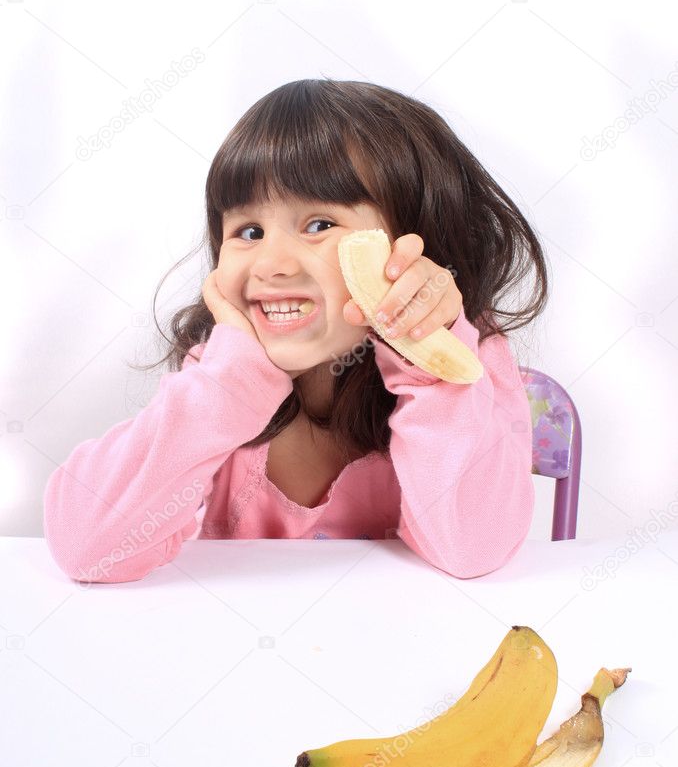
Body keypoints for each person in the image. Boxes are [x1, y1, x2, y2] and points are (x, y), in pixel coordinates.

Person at [43, 78, 548, 585]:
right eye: (249, 232)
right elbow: (89, 549)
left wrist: (427, 358)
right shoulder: (217, 380)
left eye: (318, 224)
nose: (271, 264)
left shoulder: (468, 368)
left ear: (415, 244)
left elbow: (471, 550)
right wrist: (228, 384)